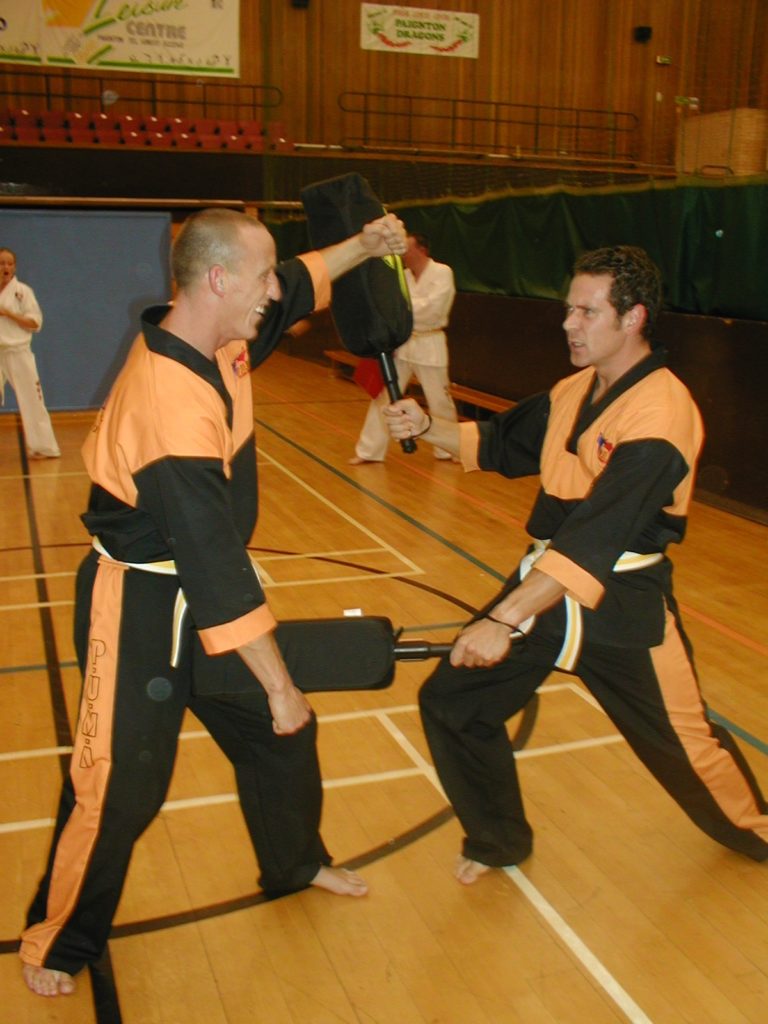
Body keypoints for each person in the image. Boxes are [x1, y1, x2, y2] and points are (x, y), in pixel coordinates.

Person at [20, 207, 407, 997]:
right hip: (141, 608)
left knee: (278, 740)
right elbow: (215, 571)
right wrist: (280, 682)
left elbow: (300, 284)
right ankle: (58, 938)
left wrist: (364, 245)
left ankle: (295, 863)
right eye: (261, 275)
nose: (275, 289)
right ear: (220, 279)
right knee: (121, 785)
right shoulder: (168, 402)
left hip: (196, 591)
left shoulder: (220, 337)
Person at [384, 244, 768, 884]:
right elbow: (505, 443)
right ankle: (497, 839)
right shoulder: (574, 389)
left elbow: (598, 534)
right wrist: (428, 426)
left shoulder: (662, 413)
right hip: (545, 585)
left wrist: (503, 622)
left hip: (622, 605)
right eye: (568, 310)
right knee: (455, 705)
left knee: (684, 744)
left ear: (633, 318)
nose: (569, 324)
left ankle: (757, 830)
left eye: (587, 313)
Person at [350, 231, 458, 463]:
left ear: (422, 250)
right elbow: (391, 309)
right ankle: (368, 451)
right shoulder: (403, 276)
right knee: (384, 397)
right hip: (402, 343)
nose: (403, 255)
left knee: (439, 400)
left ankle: (448, 449)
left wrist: (404, 311)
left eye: (407, 249)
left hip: (430, 343)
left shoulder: (442, 272)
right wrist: (402, 313)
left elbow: (434, 308)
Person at [0, 247, 61, 460]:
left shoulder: (23, 292)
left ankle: (43, 447)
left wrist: (8, 313)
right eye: (1, 263)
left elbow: (35, 323)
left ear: (14, 267)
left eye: (9, 263)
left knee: (32, 400)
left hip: (18, 352)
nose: (5, 267)